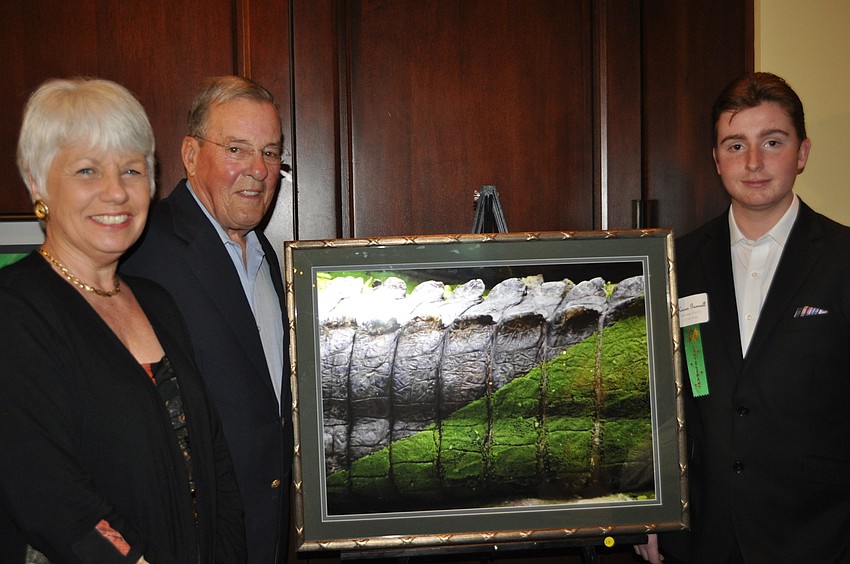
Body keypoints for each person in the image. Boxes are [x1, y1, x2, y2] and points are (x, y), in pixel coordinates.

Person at [0, 78, 245, 562]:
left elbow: (215, 463)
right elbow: (51, 499)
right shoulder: (16, 311)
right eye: (87, 170)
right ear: (37, 183)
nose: (115, 192)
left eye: (131, 170)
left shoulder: (157, 302)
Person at [636, 72, 850, 563]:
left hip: (822, 536)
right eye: (735, 145)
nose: (753, 162)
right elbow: (653, 400)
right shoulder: (672, 263)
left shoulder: (843, 257)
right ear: (716, 160)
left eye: (772, 142)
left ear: (802, 153)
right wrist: (648, 509)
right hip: (701, 537)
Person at [121, 76, 292, 563]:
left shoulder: (267, 258)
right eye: (237, 149)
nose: (258, 170)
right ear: (191, 155)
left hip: (265, 535)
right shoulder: (144, 249)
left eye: (270, 153)